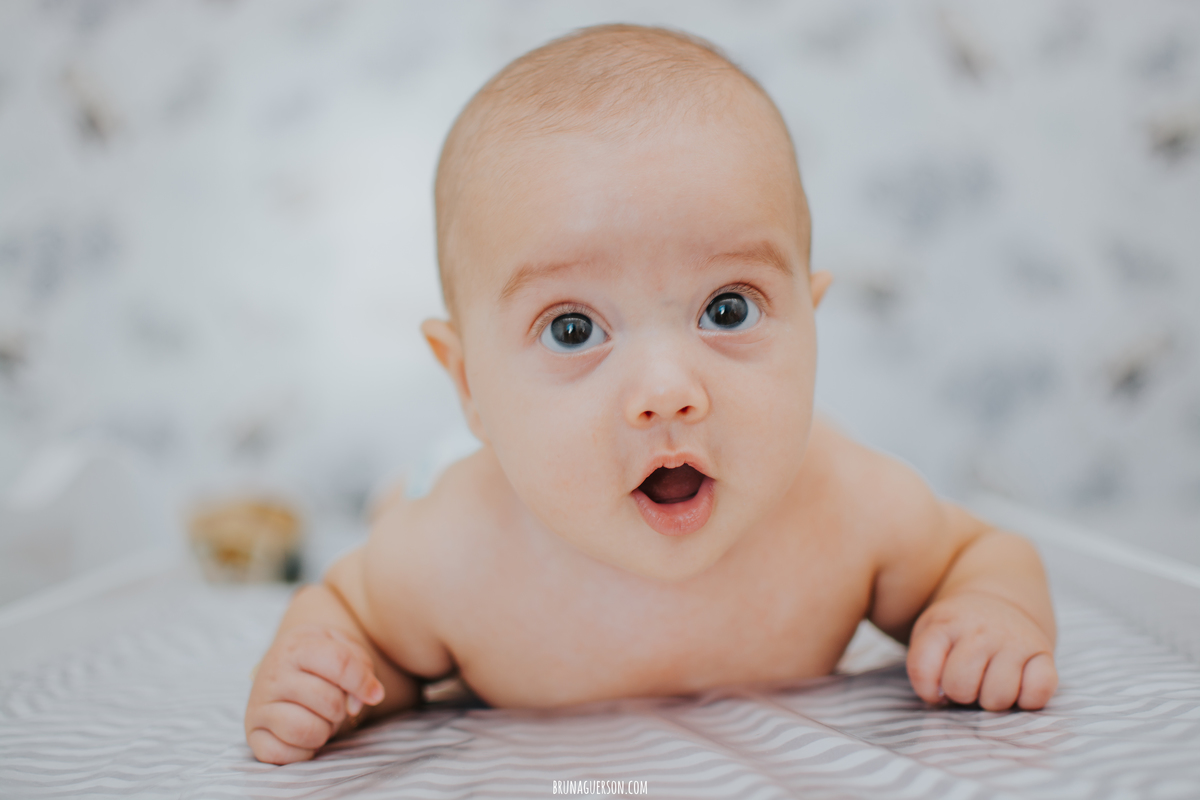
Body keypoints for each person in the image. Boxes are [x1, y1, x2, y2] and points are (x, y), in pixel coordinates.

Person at [244, 24, 1057, 765]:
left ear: (811, 321)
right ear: (467, 382)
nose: (667, 392)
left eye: (727, 310)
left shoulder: (849, 506)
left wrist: (988, 612)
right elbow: (357, 622)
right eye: (572, 330)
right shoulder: (452, 553)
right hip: (468, 476)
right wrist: (333, 678)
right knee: (403, 499)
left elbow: (982, 553)